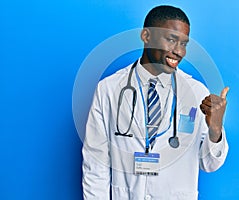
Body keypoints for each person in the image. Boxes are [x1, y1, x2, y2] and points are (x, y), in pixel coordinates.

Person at [82, 5, 229, 200]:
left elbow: (209, 164)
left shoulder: (196, 93)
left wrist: (215, 130)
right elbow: (95, 163)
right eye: (171, 40)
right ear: (146, 36)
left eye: (184, 44)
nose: (179, 52)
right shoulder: (108, 89)